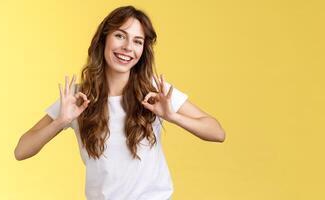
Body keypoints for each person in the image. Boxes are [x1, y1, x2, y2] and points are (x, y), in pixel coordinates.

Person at [14, 5, 226, 200]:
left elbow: (217, 132)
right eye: (120, 36)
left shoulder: (153, 89)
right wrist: (60, 121)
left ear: (143, 50)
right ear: (104, 39)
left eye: (137, 41)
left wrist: (173, 116)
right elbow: (21, 150)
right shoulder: (78, 98)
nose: (127, 47)